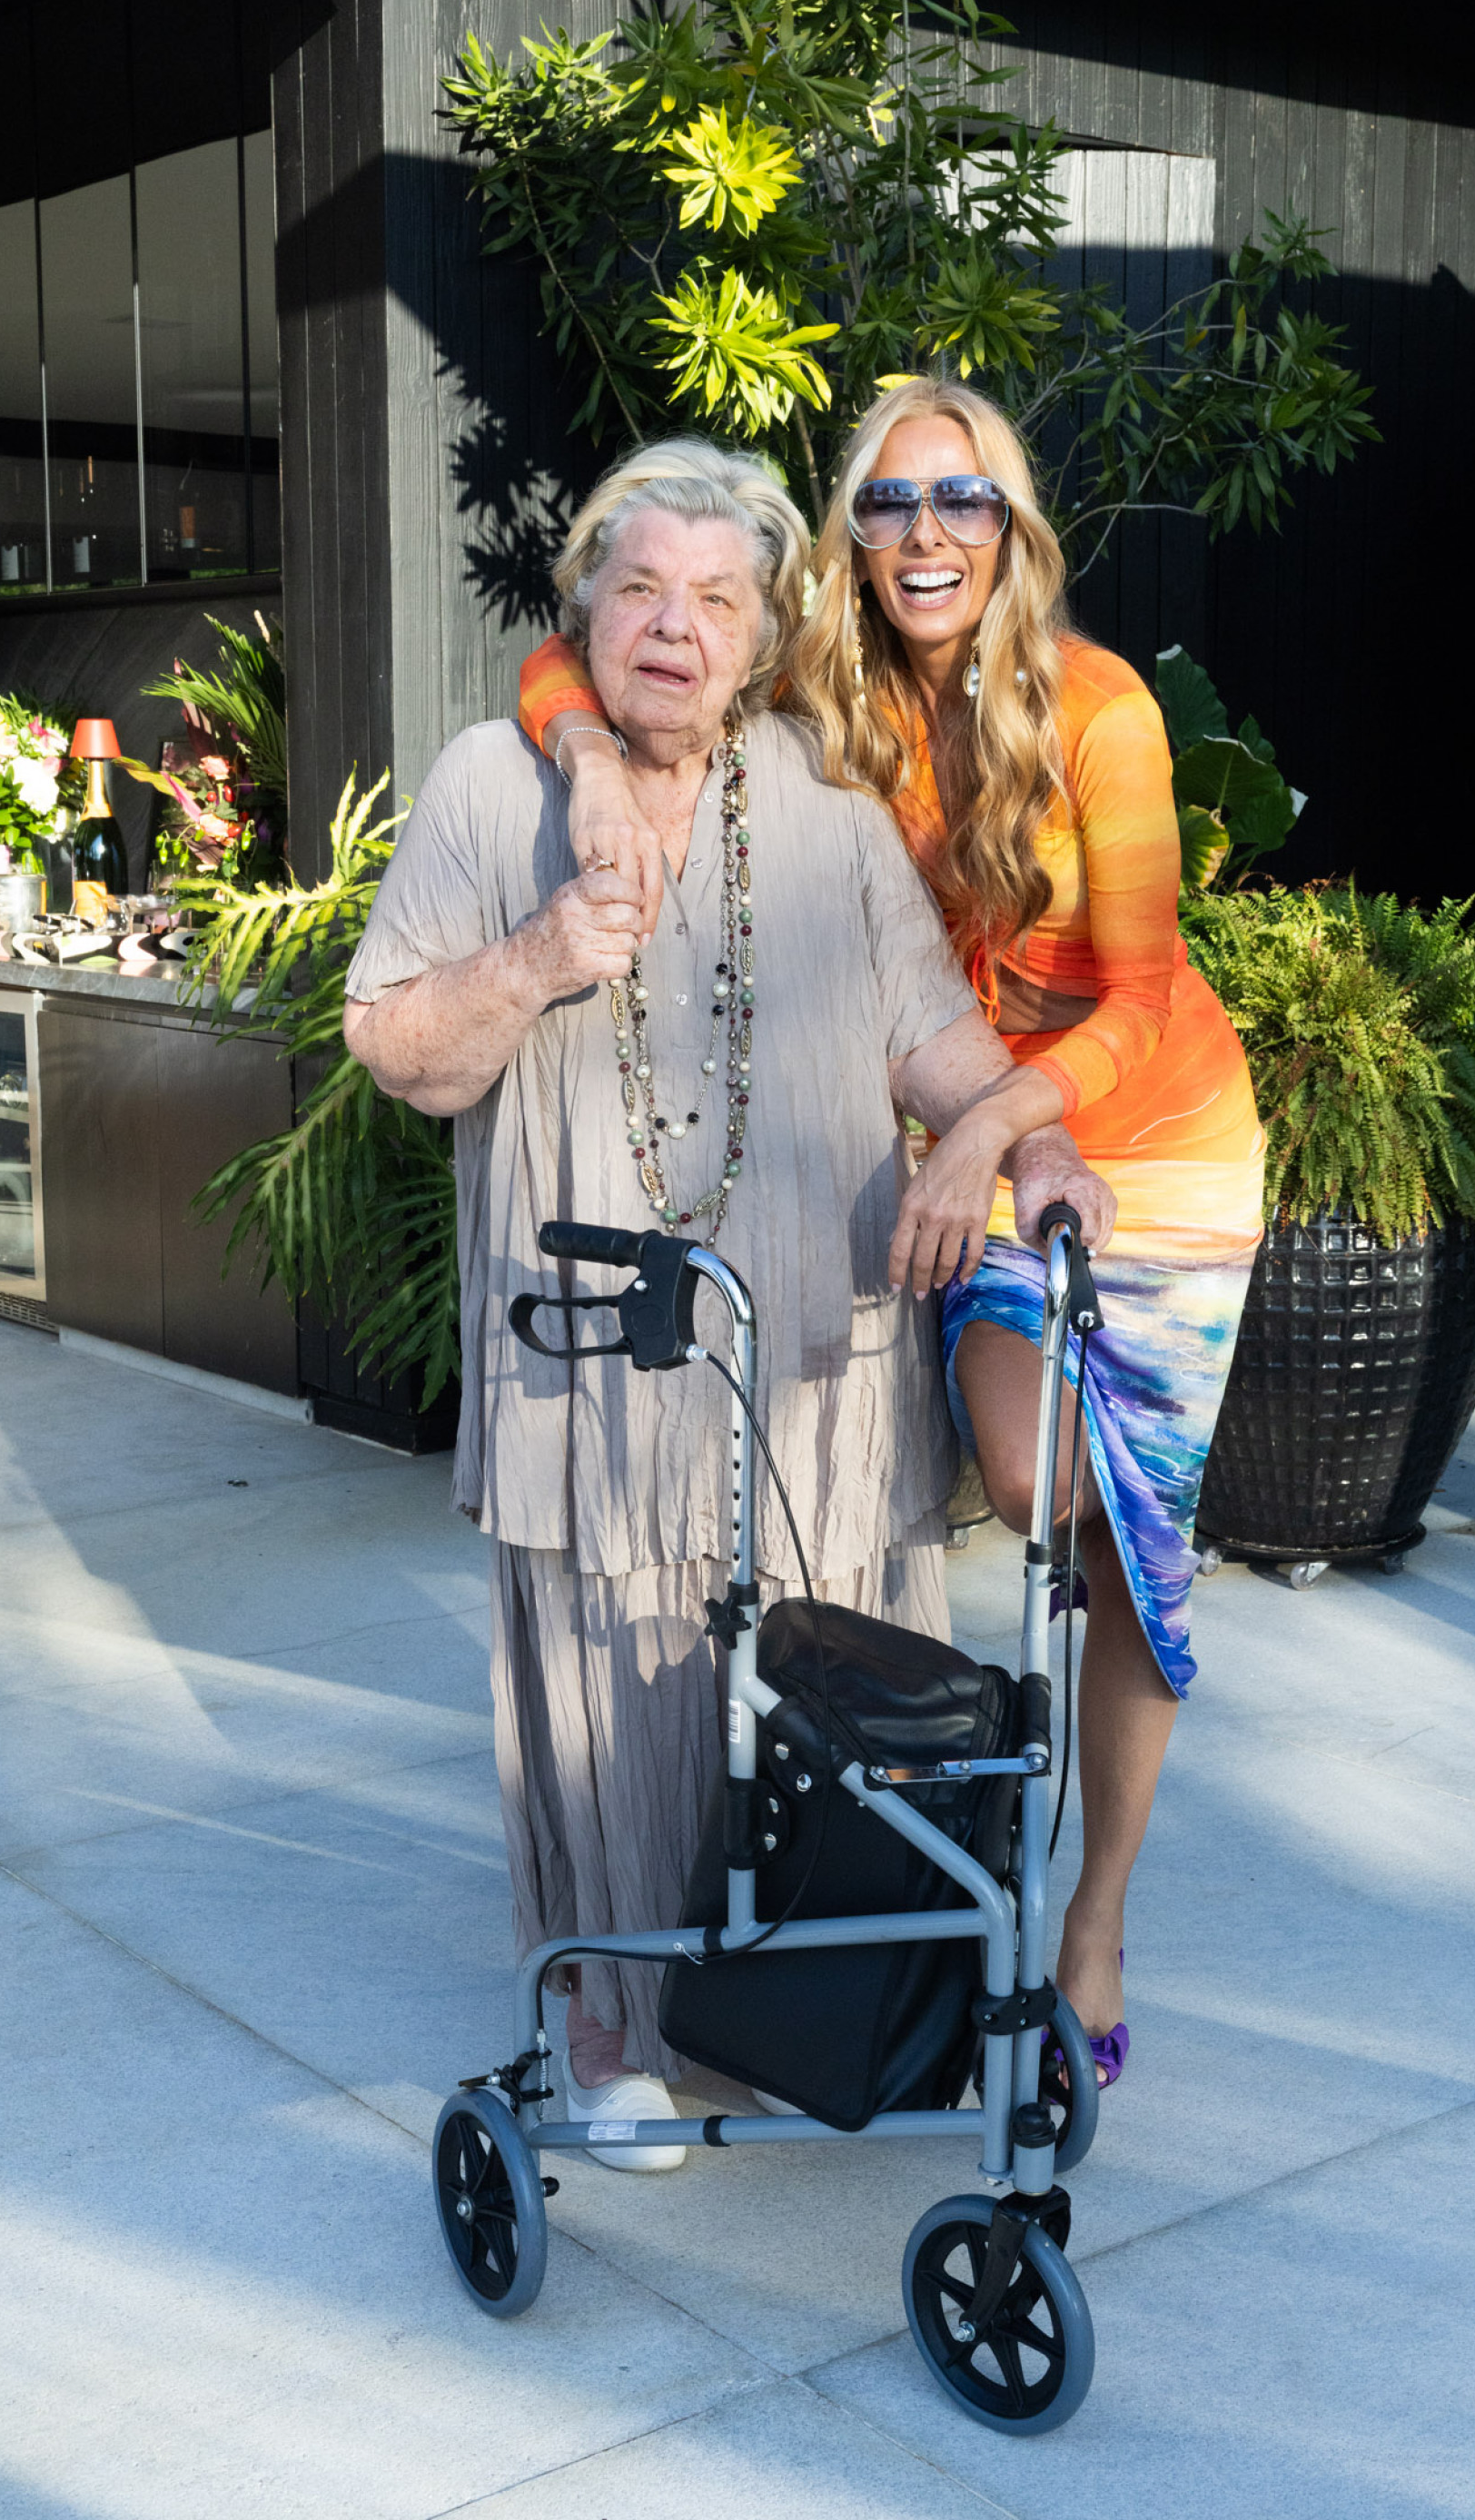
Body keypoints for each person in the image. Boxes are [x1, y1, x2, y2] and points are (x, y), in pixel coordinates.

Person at [345, 437, 1107, 2169]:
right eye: (638, 591)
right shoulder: (491, 786)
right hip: (595, 1368)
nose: (673, 629)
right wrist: (539, 956)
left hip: (816, 1368)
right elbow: (397, 1048)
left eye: (713, 599)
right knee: (613, 1704)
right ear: (585, 612)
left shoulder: (826, 803)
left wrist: (1022, 1134)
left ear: (764, 634)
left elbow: (933, 1034)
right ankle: (612, 2024)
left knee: (821, 1683)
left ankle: (805, 2007)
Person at [523, 381, 1264, 2088]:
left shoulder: (1100, 707)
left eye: (963, 499)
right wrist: (588, 765)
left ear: (1010, 530)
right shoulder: (826, 698)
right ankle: (935, 1839)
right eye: (889, 501)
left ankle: (1093, 1925)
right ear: (851, 537)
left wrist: (987, 1131)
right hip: (982, 1150)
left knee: (1132, 1566)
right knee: (1027, 1480)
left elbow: (1146, 994)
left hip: (1156, 1156)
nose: (927, 532)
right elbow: (573, 653)